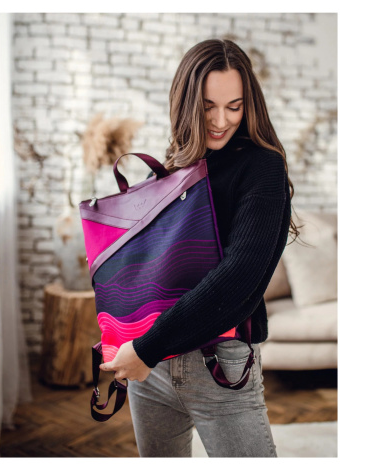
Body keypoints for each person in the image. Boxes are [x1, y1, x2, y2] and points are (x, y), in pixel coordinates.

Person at [99, 38, 298, 458]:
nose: (221, 120)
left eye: (234, 106)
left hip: (218, 364)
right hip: (150, 367)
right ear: (186, 102)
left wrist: (146, 347)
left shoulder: (262, 166)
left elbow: (239, 277)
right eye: (208, 107)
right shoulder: (176, 164)